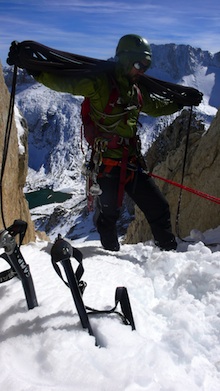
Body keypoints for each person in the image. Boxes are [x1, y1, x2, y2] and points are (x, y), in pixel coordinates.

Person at [7, 34, 201, 251]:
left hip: (131, 162)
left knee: (158, 207)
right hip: (107, 164)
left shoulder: (136, 89)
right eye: (139, 64)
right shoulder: (99, 82)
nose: (142, 70)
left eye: (146, 65)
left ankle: (168, 252)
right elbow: (64, 82)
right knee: (109, 216)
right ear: (125, 59)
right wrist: (32, 67)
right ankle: (109, 255)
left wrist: (181, 103)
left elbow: (156, 108)